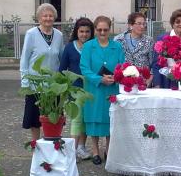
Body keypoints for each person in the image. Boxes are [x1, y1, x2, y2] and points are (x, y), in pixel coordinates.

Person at [80, 16, 125, 165]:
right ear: (95, 30)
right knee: (94, 118)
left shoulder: (117, 46)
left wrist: (116, 76)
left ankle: (109, 149)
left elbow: (122, 65)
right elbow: (84, 68)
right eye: (99, 29)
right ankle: (95, 150)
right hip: (94, 88)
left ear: (109, 29)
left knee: (109, 118)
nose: (102, 32)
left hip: (112, 87)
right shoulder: (88, 46)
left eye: (105, 29)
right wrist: (99, 79)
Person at [20, 3, 63, 142]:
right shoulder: (31, 34)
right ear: (39, 18)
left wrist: (62, 79)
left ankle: (51, 144)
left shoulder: (59, 35)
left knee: (53, 117)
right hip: (35, 84)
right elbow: (24, 59)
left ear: (54, 18)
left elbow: (61, 57)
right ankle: (35, 145)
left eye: (51, 15)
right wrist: (25, 82)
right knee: (35, 118)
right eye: (45, 16)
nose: (48, 18)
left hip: (53, 84)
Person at [59, 17, 95, 161]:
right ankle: (72, 150)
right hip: (75, 90)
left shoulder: (94, 47)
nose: (84, 34)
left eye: (87, 31)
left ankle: (81, 147)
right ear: (76, 32)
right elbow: (62, 69)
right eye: (81, 31)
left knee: (86, 119)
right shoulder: (69, 47)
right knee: (76, 119)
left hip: (91, 89)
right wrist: (63, 89)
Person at [151, 9, 181, 89]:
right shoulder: (162, 39)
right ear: (173, 24)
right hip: (166, 81)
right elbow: (156, 64)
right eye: (177, 22)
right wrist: (157, 84)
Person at [114, 12, 154, 86]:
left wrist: (150, 77)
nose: (142, 26)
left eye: (144, 24)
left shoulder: (149, 41)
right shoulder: (118, 40)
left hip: (142, 82)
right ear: (130, 25)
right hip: (123, 81)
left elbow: (153, 62)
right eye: (139, 23)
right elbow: (114, 61)